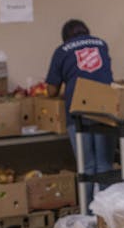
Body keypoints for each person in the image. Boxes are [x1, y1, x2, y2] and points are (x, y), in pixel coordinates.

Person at [45, 19, 115, 203]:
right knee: (104, 164)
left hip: (77, 112)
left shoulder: (62, 51)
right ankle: (107, 212)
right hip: (104, 109)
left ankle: (87, 212)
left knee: (86, 166)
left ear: (65, 37)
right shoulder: (101, 44)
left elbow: (51, 90)